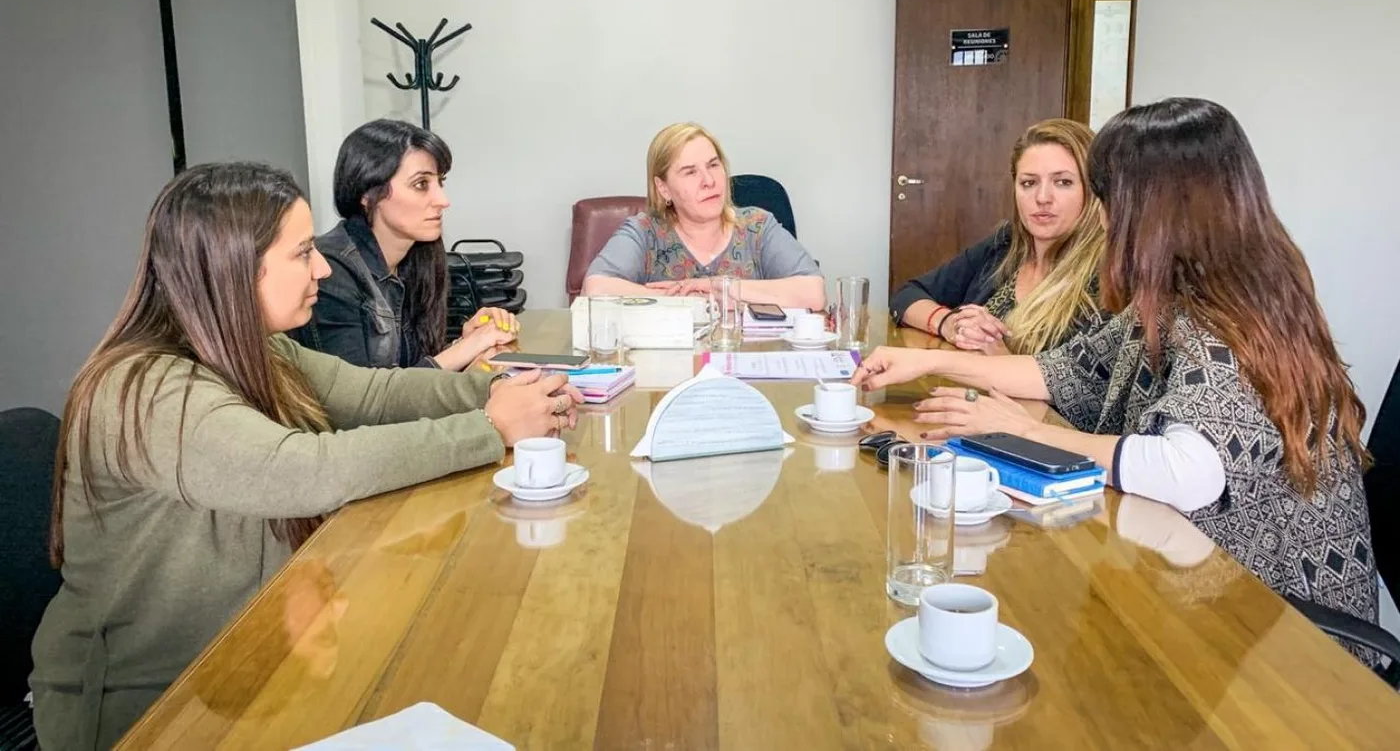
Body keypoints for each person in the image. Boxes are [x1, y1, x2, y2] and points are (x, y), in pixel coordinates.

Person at [29, 163, 581, 750]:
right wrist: (488, 429)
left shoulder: (254, 348)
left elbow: (372, 394)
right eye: (301, 254)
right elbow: (304, 471)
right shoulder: (144, 389)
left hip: (249, 653)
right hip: (149, 707)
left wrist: (499, 392)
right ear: (233, 268)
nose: (321, 267)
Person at [854, 98, 1377, 633]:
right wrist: (912, 359)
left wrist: (1022, 431)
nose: (1101, 216)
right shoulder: (1174, 292)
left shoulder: (1233, 314)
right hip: (1190, 580)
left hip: (1277, 628)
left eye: (1104, 196)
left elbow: (1188, 472)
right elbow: (1058, 371)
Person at [290, 119, 517, 371]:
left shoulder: (420, 256)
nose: (443, 200)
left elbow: (412, 372)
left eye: (440, 182)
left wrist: (464, 342)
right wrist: (466, 348)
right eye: (421, 184)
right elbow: (360, 403)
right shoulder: (331, 272)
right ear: (367, 193)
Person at [890, 119, 1106, 355]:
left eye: (1063, 182)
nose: (1043, 197)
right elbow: (906, 296)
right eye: (1029, 183)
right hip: (962, 386)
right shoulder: (1006, 244)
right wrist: (948, 323)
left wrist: (1000, 356)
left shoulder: (1107, 279)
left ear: (1093, 190)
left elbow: (1082, 387)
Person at [582, 122, 825, 309]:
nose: (709, 181)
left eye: (713, 165)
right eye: (690, 172)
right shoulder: (646, 231)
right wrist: (692, 302)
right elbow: (594, 289)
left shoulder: (757, 226)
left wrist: (716, 286)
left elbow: (814, 293)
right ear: (663, 188)